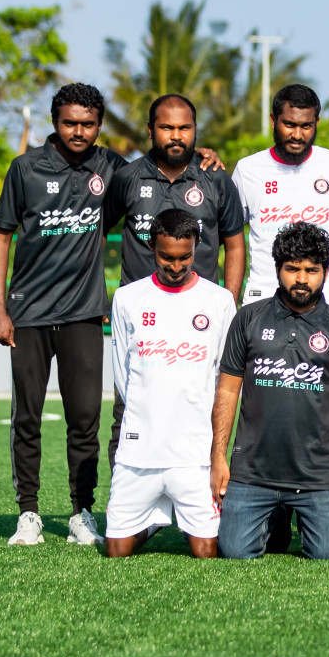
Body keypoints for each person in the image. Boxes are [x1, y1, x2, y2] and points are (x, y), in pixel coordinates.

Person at [0, 83, 126, 547]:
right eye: (70, 122)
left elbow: (154, 174)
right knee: (27, 417)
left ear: (99, 125)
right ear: (54, 121)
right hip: (27, 314)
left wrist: (201, 155)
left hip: (84, 314)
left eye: (88, 124)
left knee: (84, 418)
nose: (79, 131)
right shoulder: (25, 168)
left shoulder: (109, 166)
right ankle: (27, 514)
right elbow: (3, 235)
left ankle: (81, 512)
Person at [104, 92, 245, 469]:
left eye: (185, 127)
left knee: (206, 412)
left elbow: (234, 244)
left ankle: (204, 505)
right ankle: (128, 506)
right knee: (130, 410)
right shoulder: (128, 178)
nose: (176, 135)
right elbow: (95, 232)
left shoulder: (215, 178)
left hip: (200, 322)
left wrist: (227, 306)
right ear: (151, 130)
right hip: (144, 322)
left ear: (195, 130)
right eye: (167, 127)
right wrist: (100, 295)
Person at [210, 222, 329, 560]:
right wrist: (217, 458)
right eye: (292, 269)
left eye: (312, 270)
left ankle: (289, 513)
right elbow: (226, 392)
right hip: (253, 474)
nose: (301, 278)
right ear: (277, 269)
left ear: (325, 271)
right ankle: (275, 517)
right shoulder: (248, 319)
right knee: (234, 553)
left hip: (318, 477)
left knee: (328, 555)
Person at [104, 209, 236, 557]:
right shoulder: (127, 299)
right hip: (139, 451)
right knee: (117, 551)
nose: (175, 266)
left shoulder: (219, 301)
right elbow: (123, 373)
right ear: (152, 248)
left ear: (196, 248)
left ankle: (177, 512)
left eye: (184, 257)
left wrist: (217, 452)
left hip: (193, 454)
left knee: (205, 551)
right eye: (166, 257)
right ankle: (158, 518)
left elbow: (226, 375)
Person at [231, 84, 329, 313]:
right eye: (289, 124)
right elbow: (228, 237)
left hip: (324, 305)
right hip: (263, 303)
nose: (297, 135)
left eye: (306, 126)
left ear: (316, 124)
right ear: (274, 121)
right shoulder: (247, 170)